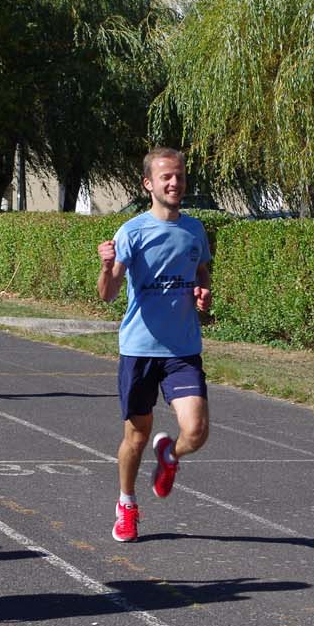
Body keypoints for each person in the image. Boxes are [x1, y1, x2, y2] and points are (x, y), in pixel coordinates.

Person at [96, 146, 213, 543]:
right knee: (137, 436)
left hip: (182, 349)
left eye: (179, 176)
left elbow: (201, 272)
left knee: (195, 431)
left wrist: (203, 293)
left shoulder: (195, 229)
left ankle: (171, 456)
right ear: (149, 184)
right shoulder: (131, 231)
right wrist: (105, 265)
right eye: (166, 177)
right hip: (140, 349)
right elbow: (108, 294)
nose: (174, 182)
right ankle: (126, 503)